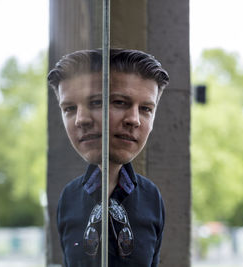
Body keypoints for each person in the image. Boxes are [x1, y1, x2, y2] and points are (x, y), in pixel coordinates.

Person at [48, 49, 169, 267]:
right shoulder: (68, 198)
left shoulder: (152, 198)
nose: (134, 120)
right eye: (69, 108)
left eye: (145, 108)